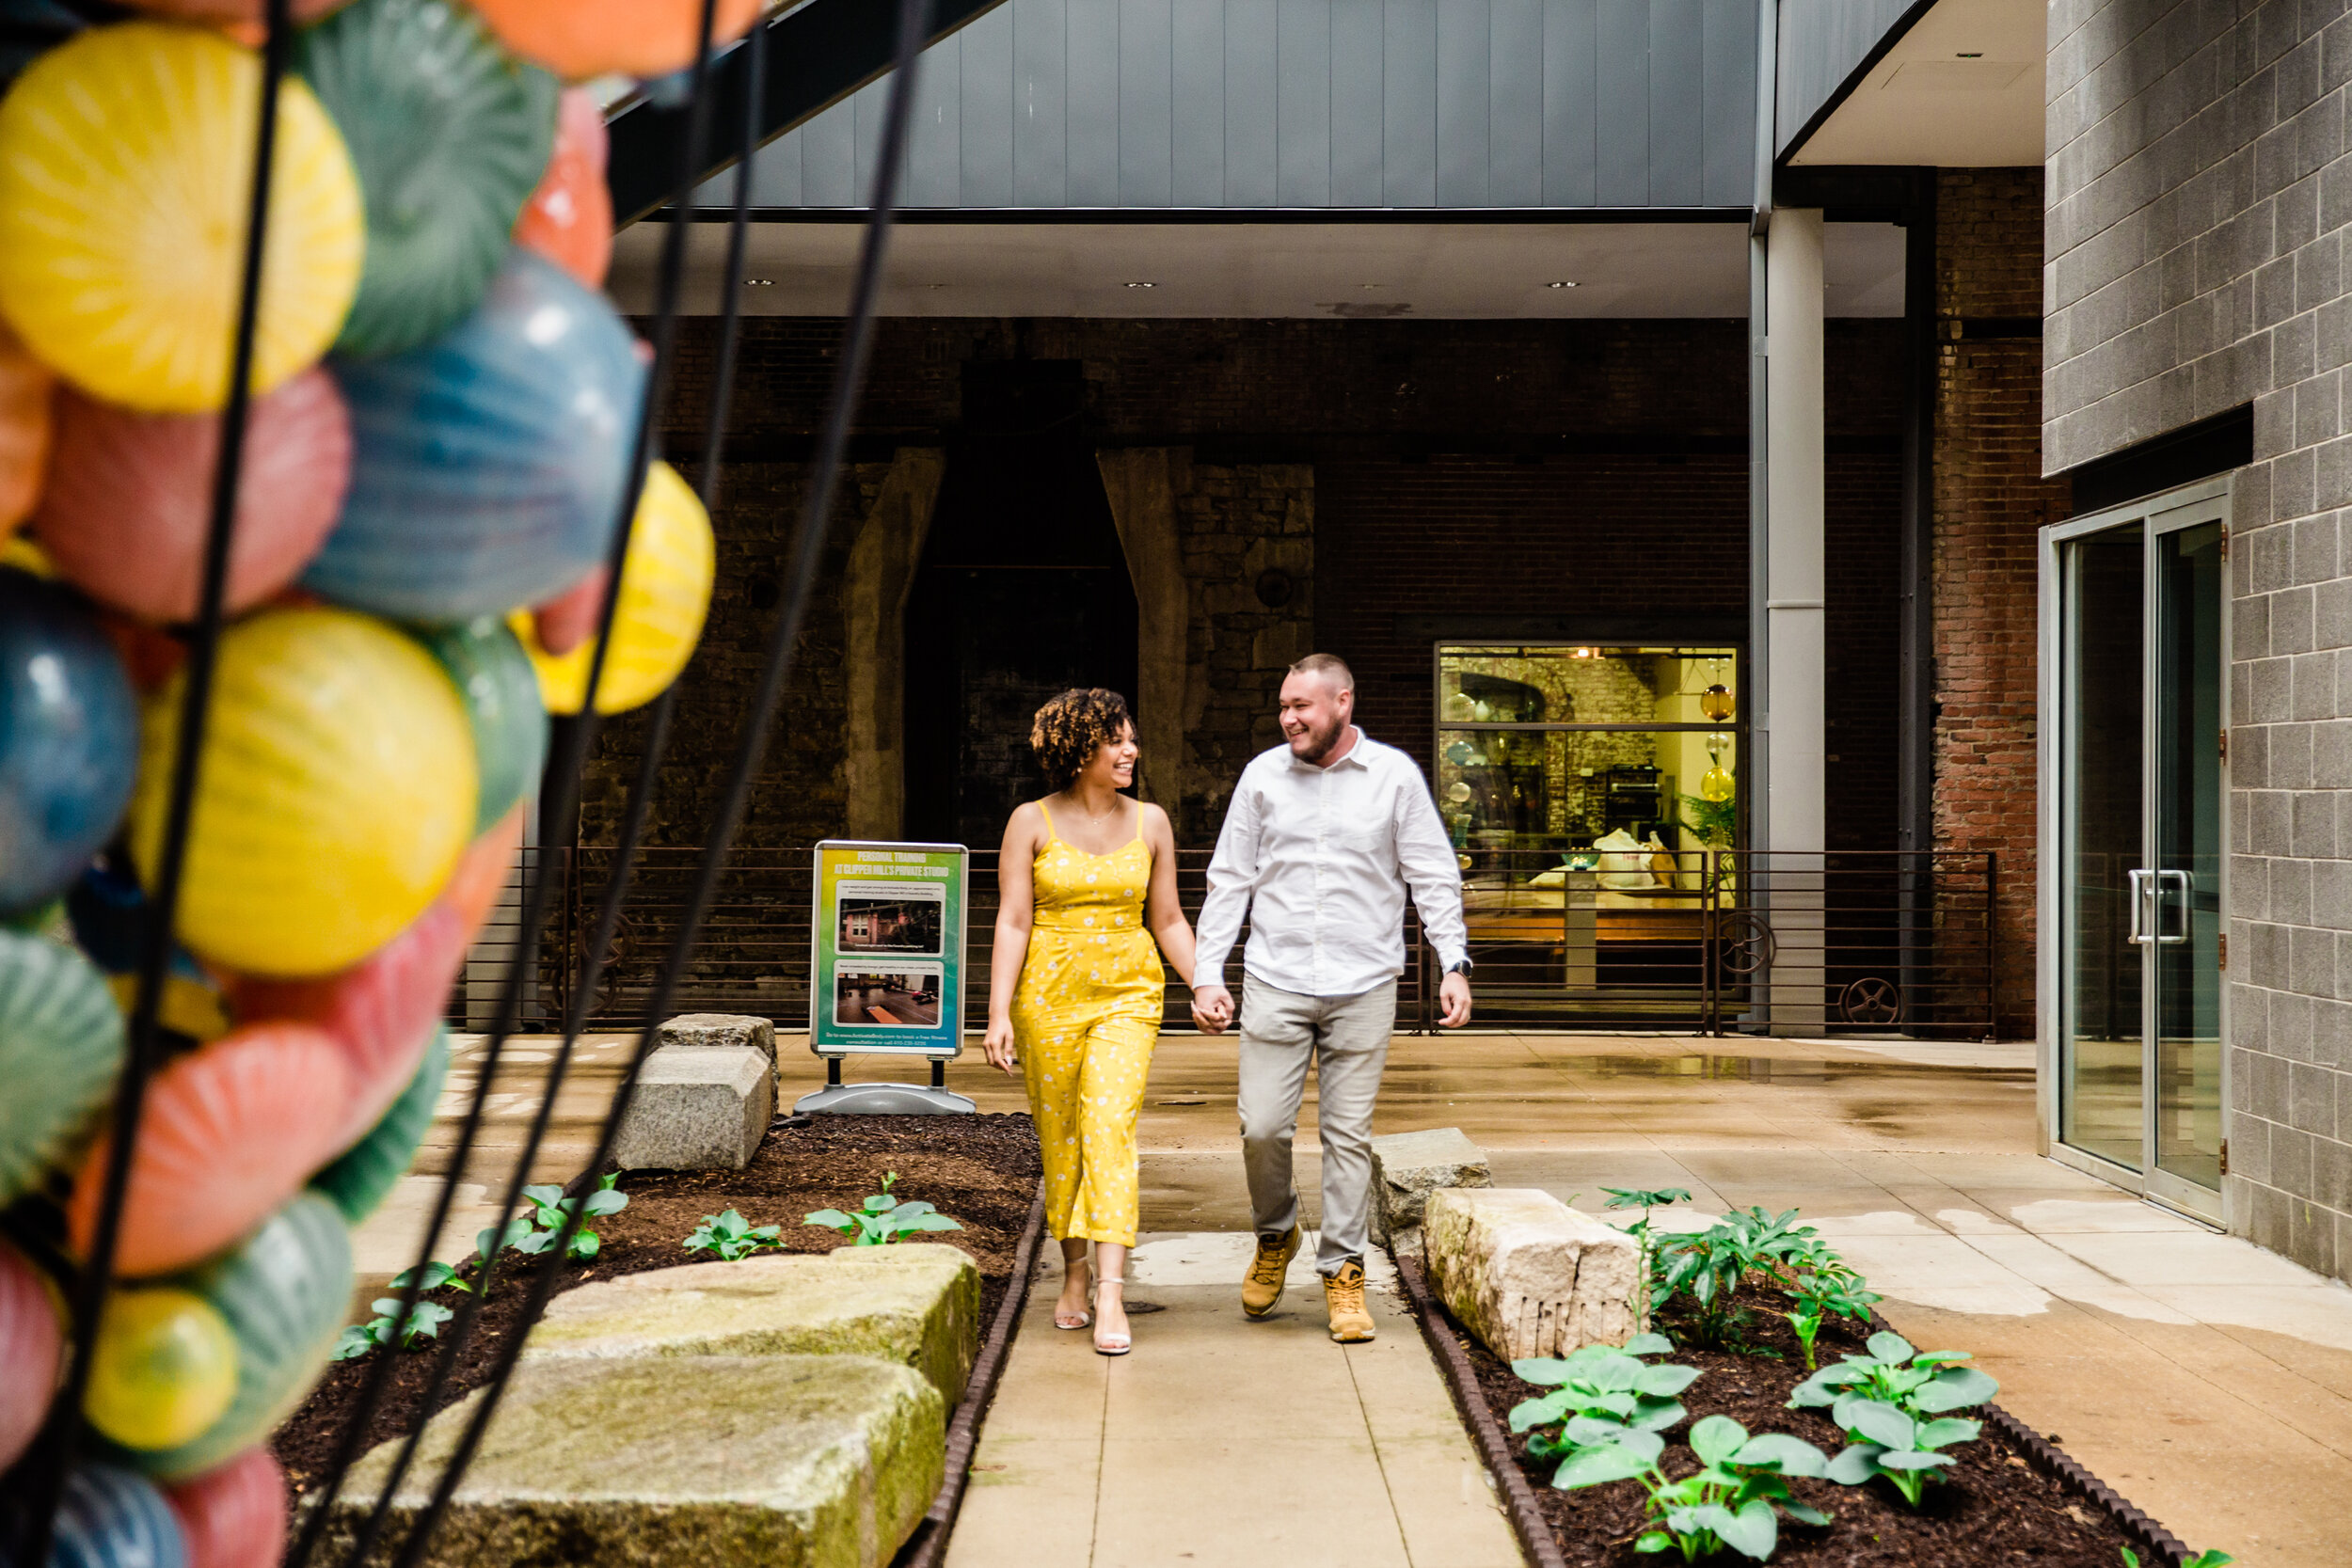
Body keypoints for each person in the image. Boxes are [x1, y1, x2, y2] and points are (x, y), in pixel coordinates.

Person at [1190, 653, 1471, 1344]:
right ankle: (1275, 1232)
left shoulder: (1394, 776)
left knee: (1348, 1137)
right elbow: (1230, 880)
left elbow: (1433, 873)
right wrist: (1207, 972)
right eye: (1283, 706)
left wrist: (1453, 961)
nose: (1288, 718)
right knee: (1262, 1126)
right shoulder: (1263, 776)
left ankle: (1344, 1270)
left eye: (1301, 706)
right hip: (1275, 978)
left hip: (1365, 982)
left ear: (1342, 700)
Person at [984, 688, 1201, 1356]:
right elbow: (1015, 919)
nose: (1131, 749)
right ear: (1079, 750)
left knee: (1109, 1124)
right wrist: (996, 1013)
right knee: (1063, 1136)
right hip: (1046, 998)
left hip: (1128, 996)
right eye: (1116, 739)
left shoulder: (1152, 823)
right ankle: (1073, 1272)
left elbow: (1166, 918)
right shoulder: (1030, 821)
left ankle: (1111, 1287)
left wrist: (1206, 982)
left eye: (1131, 738)